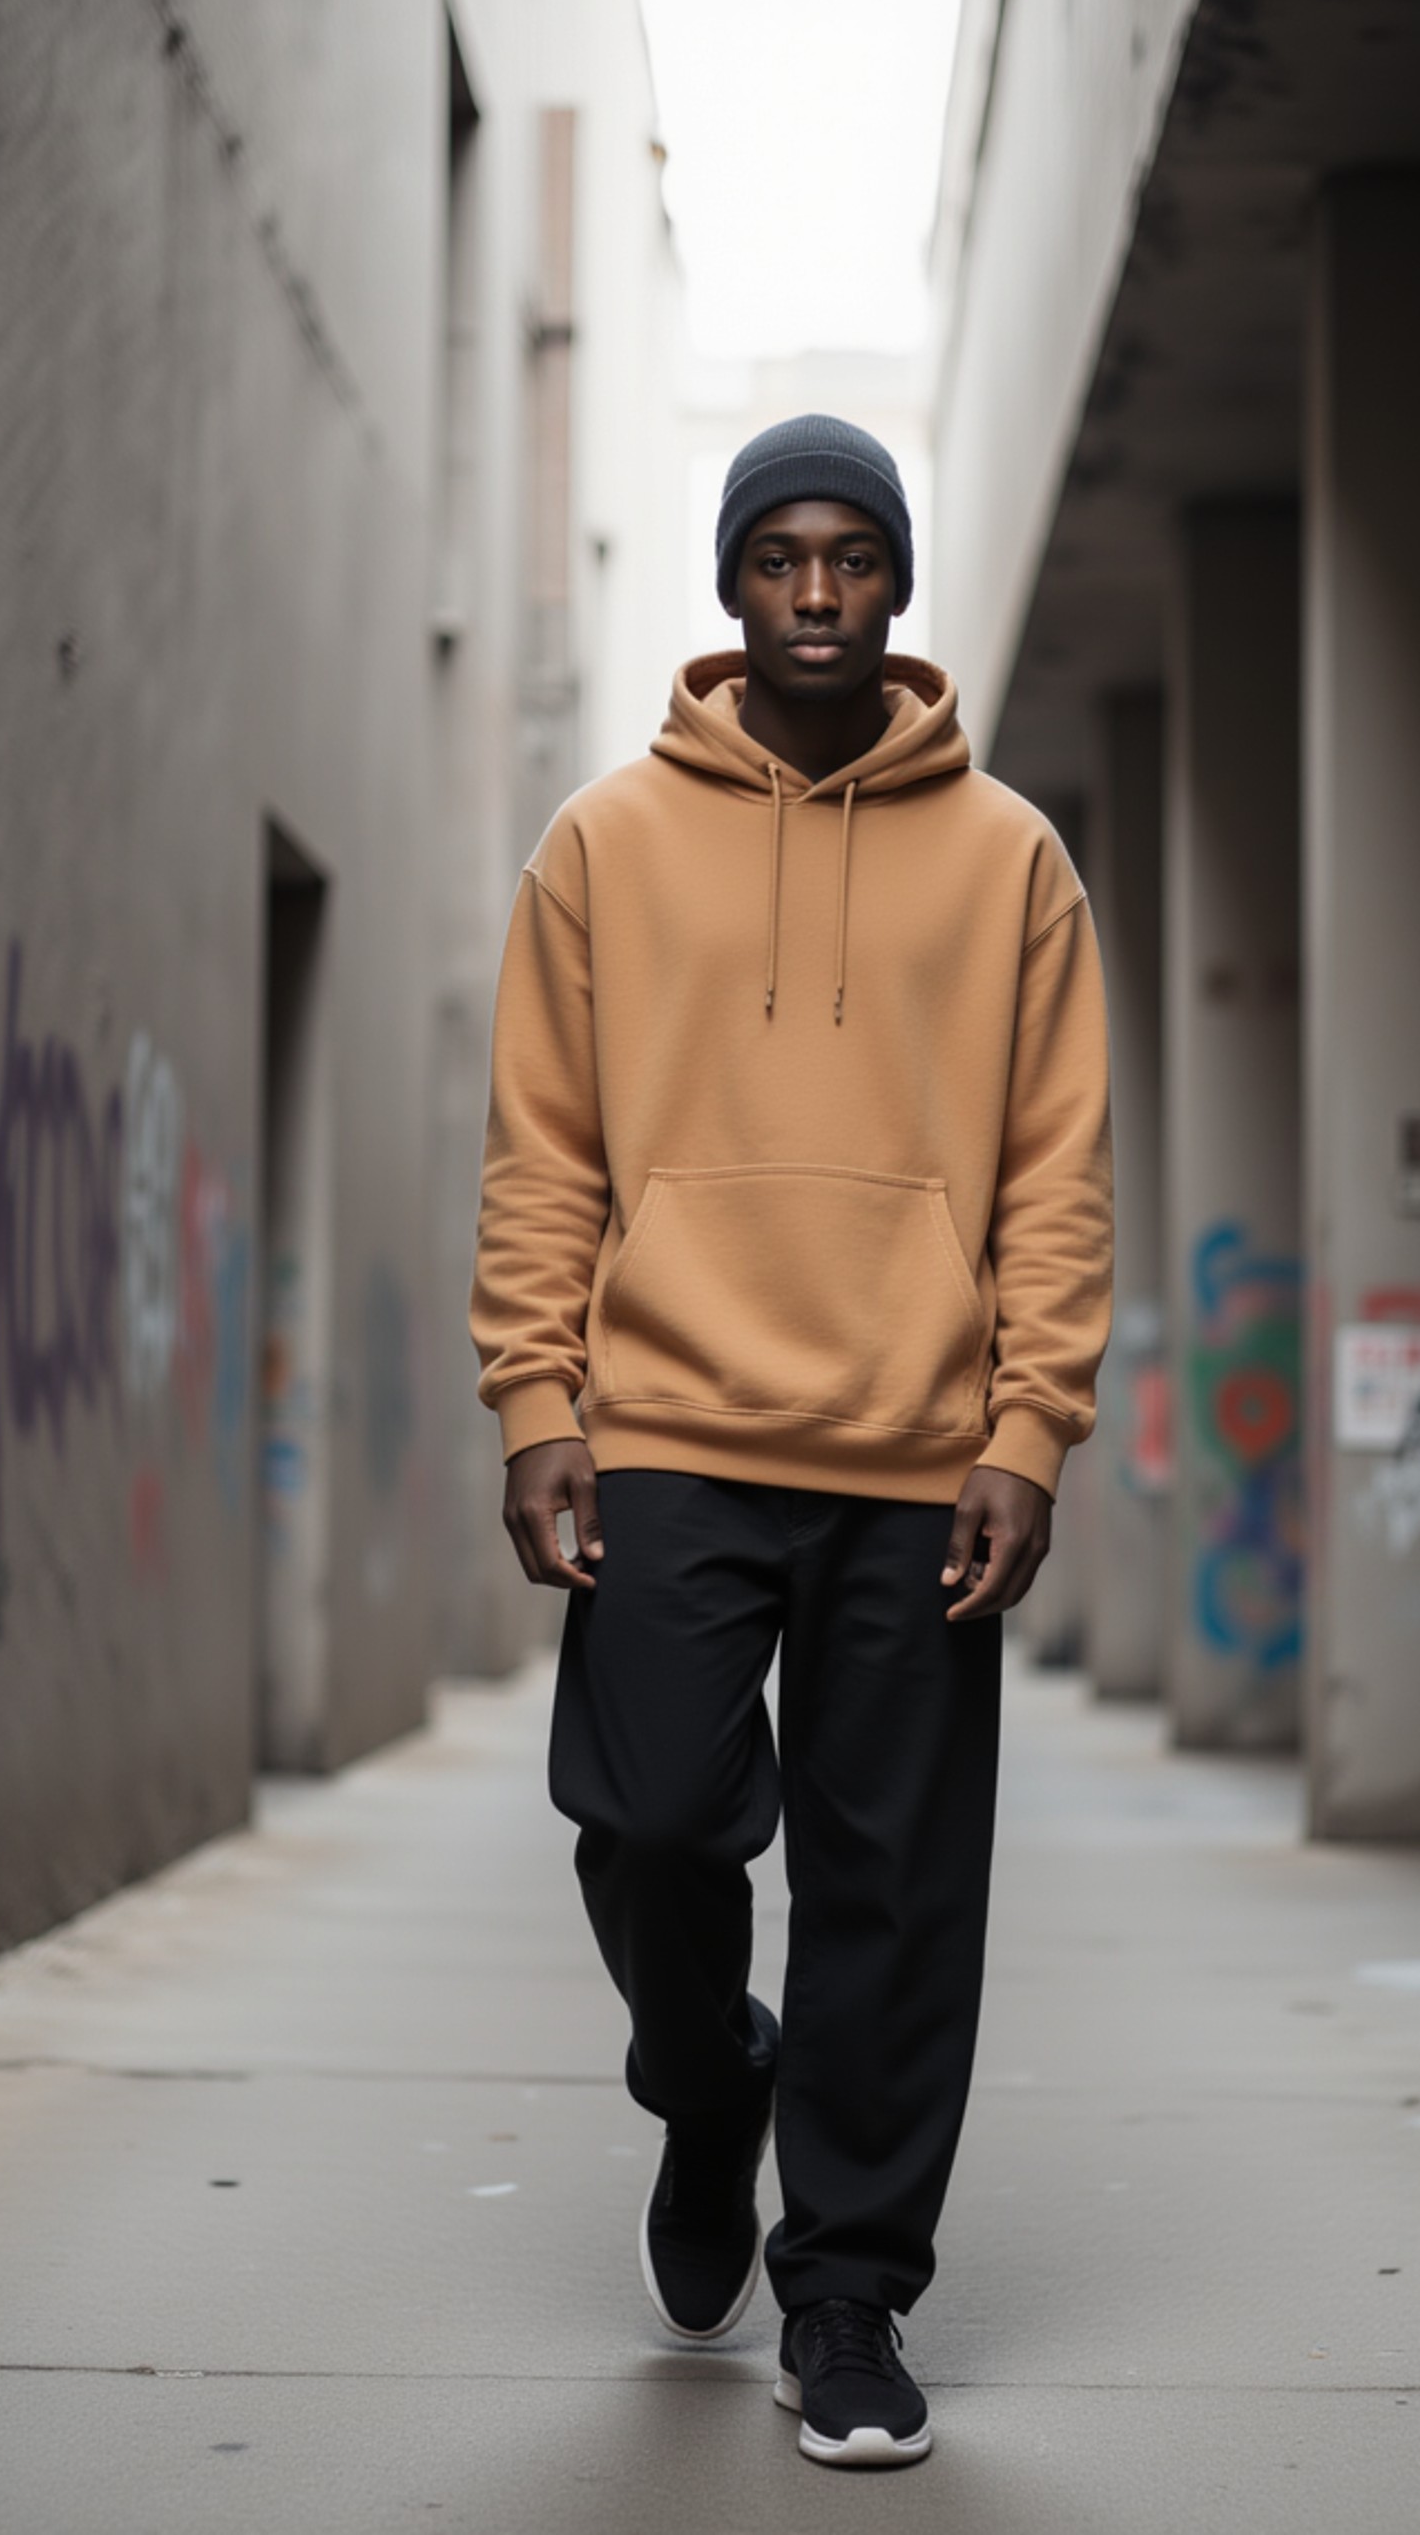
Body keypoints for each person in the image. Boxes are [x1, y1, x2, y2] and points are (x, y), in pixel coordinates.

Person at [470, 414, 1113, 2469]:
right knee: (648, 1813)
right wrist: (534, 1396)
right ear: (733, 581)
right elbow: (543, 1154)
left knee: (893, 1885)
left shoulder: (1010, 858)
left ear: (897, 585)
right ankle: (702, 2076)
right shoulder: (604, 843)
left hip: (920, 1439)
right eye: (780, 555)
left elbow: (1055, 1175)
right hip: (664, 1415)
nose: (817, 590)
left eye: (852, 556)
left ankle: (844, 2294)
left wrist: (1029, 1424)